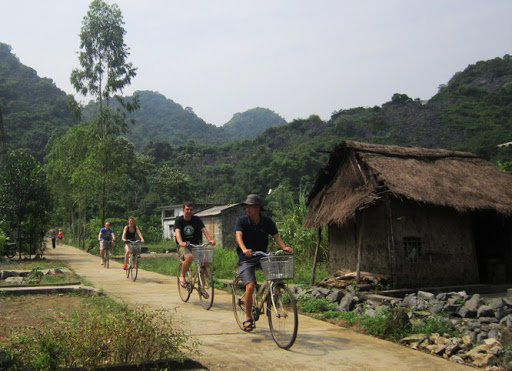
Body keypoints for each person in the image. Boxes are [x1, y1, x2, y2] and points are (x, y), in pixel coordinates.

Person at [235, 194, 292, 332]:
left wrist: (284, 247)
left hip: (262, 256)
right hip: (246, 258)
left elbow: (276, 236)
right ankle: (248, 318)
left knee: (276, 277)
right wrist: (244, 249)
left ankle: (270, 298)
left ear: (258, 208)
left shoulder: (267, 222)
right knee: (249, 286)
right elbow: (238, 236)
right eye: (247, 206)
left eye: (251, 207)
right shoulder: (242, 221)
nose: (248, 209)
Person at [174, 202, 216, 297]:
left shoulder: (197, 220)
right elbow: (177, 233)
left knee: (205, 261)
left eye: (191, 209)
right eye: (187, 209)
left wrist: (210, 240)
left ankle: (202, 287)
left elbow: (204, 230)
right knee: (188, 258)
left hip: (196, 246)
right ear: (183, 210)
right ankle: (182, 276)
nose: (189, 211)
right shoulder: (179, 221)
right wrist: (181, 242)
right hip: (184, 246)